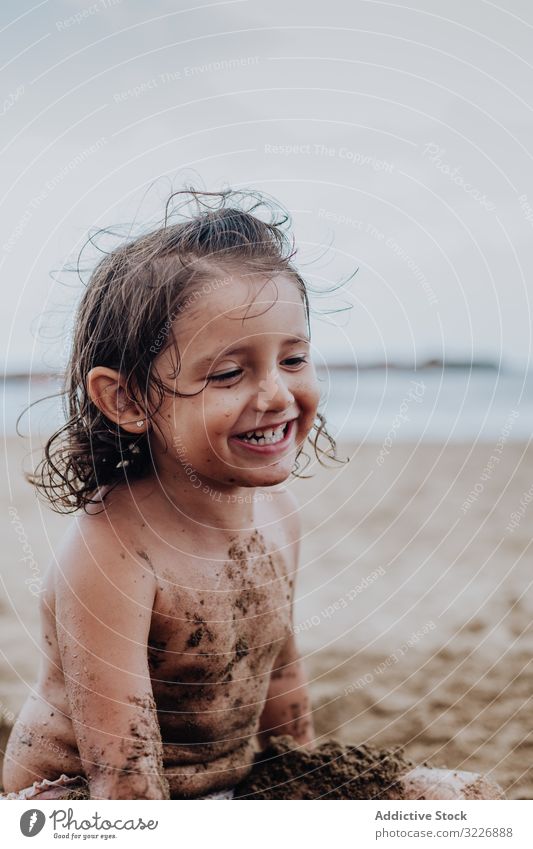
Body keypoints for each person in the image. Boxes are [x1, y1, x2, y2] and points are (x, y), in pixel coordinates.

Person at [1, 189, 503, 800]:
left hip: (230, 788)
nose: (275, 395)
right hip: (85, 800)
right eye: (229, 373)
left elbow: (282, 685)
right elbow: (122, 778)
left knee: (464, 800)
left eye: (292, 359)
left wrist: (307, 787)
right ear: (127, 400)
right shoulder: (113, 552)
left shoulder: (277, 516)